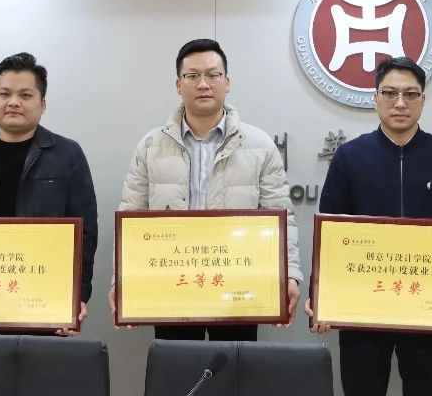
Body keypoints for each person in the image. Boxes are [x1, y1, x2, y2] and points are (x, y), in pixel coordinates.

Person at [306, 56, 432, 396]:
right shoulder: (350, 157)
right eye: (390, 93)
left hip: (427, 307)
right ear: (376, 98)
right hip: (363, 308)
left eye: (410, 94)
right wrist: (321, 293)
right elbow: (329, 231)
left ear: (423, 101)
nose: (400, 103)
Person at [113, 38, 301, 339]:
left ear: (227, 82)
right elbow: (130, 216)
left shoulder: (260, 145)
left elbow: (282, 217)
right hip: (172, 284)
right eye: (192, 76)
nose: (203, 84)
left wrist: (289, 273)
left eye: (213, 75)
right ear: (178, 85)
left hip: (238, 285)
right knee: (177, 364)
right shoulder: (150, 146)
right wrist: (121, 279)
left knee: (234, 364)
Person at [0, 52, 98, 336]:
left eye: (25, 95)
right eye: (4, 94)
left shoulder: (67, 154)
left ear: (42, 104)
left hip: (44, 296)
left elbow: (85, 232)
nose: (13, 102)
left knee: (40, 364)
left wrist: (78, 295)